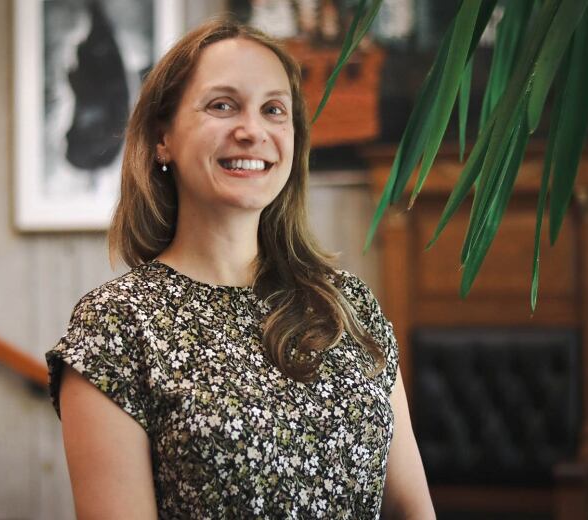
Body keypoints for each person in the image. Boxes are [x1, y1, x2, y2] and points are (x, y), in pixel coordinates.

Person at [46, 17, 434, 519]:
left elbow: (412, 508)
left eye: (274, 110)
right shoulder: (117, 325)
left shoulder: (347, 304)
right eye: (222, 105)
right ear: (163, 136)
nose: (252, 131)